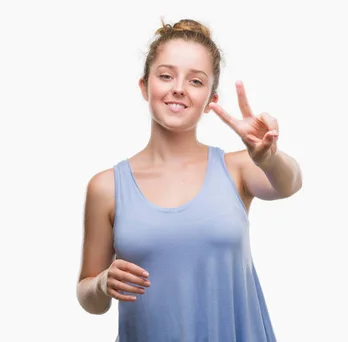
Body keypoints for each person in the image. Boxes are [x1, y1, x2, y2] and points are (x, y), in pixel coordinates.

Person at [76, 18, 302, 342]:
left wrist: (269, 158)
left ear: (211, 99)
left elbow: (290, 184)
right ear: (144, 86)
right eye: (166, 75)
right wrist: (101, 283)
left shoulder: (237, 169)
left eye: (195, 81)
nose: (178, 88)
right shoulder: (107, 187)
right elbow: (89, 298)